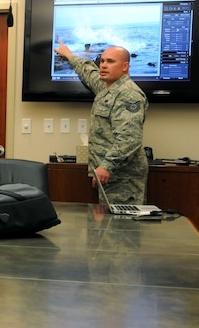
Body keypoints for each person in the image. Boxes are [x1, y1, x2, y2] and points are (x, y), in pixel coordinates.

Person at [54, 39, 149, 204]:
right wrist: (69, 55)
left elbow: (130, 138)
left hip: (123, 177)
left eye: (110, 61)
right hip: (109, 175)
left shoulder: (129, 94)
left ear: (125, 66)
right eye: (102, 61)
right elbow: (89, 72)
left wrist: (106, 166)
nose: (103, 65)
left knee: (122, 226)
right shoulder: (108, 88)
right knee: (109, 226)